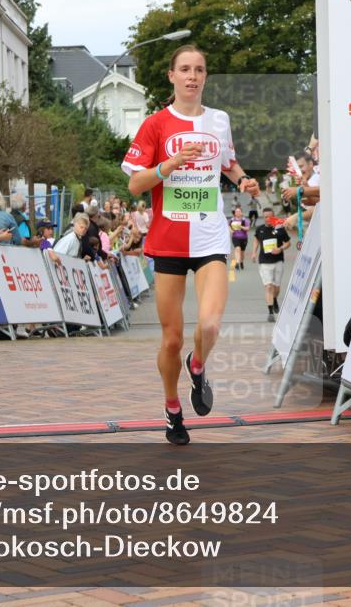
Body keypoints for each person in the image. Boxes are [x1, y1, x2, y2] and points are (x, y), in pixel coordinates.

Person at [122, 44, 261, 445]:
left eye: (199, 69)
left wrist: (242, 181)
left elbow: (227, 163)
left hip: (210, 236)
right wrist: (170, 164)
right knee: (171, 338)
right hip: (168, 240)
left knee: (211, 323)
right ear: (171, 76)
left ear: (205, 77)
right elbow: (134, 184)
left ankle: (197, 367)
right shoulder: (155, 124)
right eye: (184, 69)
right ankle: (171, 409)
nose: (192, 76)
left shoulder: (219, 120)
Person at [251, 207, 291, 322]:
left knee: (276, 288)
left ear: (273, 216)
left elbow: (288, 243)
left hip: (278, 261)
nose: (267, 219)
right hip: (264, 262)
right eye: (265, 217)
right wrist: (254, 252)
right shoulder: (260, 229)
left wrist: (280, 248)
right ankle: (270, 312)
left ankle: (274, 299)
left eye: (270, 216)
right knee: (269, 286)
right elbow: (256, 240)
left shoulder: (280, 229)